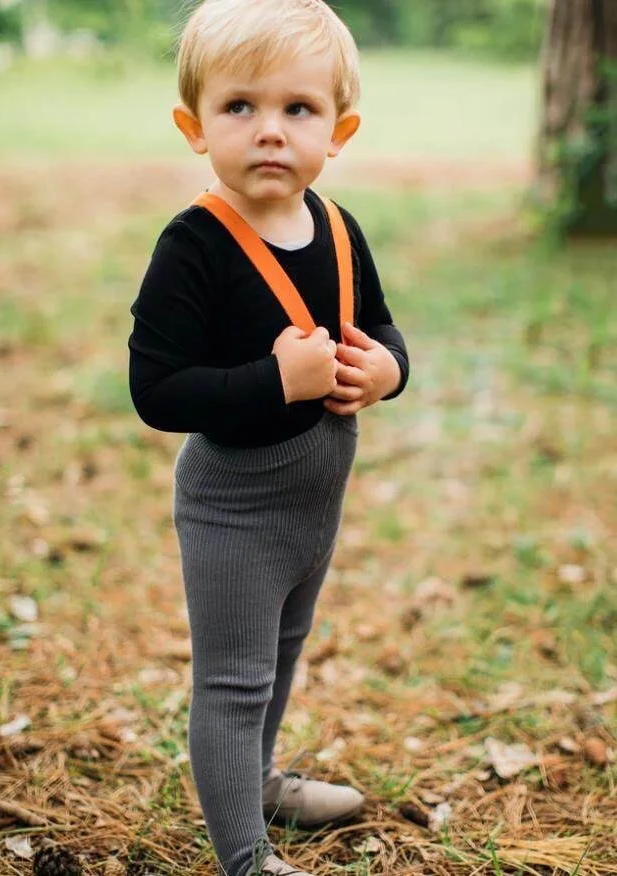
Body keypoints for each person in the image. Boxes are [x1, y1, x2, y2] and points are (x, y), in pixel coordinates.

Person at [127, 1, 409, 873]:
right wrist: (274, 382)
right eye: (239, 106)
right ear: (194, 127)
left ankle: (256, 782)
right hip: (235, 507)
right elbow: (156, 390)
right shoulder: (195, 246)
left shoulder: (339, 229)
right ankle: (244, 857)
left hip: (313, 504)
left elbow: (382, 330)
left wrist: (388, 371)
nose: (271, 131)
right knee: (233, 680)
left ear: (339, 131)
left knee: (282, 654)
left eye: (299, 108)